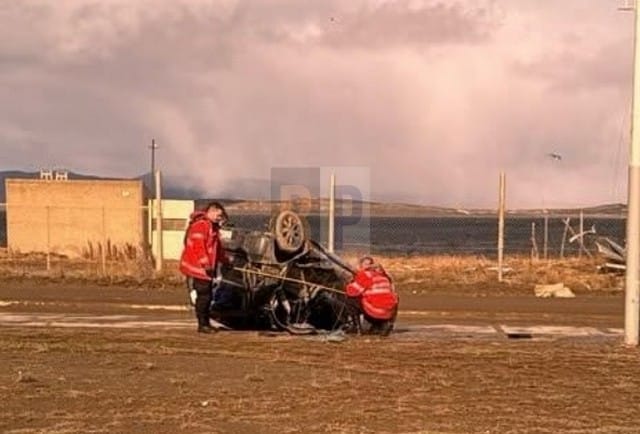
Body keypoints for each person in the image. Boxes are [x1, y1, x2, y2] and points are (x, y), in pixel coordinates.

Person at [179, 202, 229, 333]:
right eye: (218, 215)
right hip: (198, 268)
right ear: (211, 212)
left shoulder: (212, 227)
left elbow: (217, 249)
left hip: (205, 268)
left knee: (207, 295)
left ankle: (205, 323)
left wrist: (225, 261)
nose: (219, 218)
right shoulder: (201, 226)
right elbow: (198, 246)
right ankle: (202, 325)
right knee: (204, 296)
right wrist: (206, 264)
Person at [345, 256, 399, 335]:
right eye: (365, 264)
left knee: (351, 299)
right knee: (394, 298)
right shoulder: (385, 277)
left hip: (374, 311)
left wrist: (349, 284)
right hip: (387, 312)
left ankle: (357, 328)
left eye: (368, 264)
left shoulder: (365, 275)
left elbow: (352, 291)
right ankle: (384, 324)